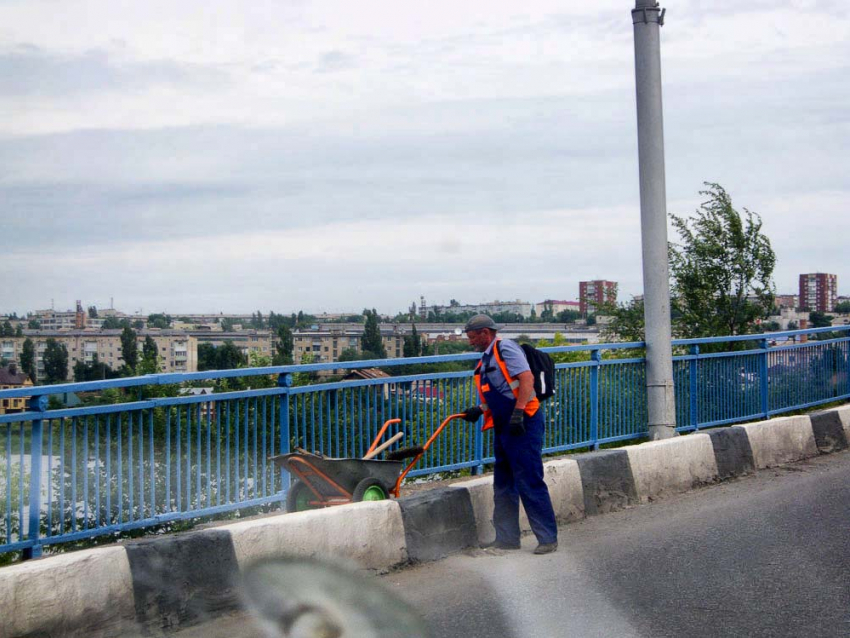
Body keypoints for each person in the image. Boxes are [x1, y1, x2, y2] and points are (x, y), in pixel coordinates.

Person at [461, 314, 558, 555]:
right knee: (503, 482)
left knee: (529, 479)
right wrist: (480, 409)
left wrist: (519, 413)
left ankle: (547, 538)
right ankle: (507, 539)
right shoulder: (485, 359)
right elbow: (501, 392)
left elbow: (526, 379)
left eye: (473, 337)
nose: (470, 342)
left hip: (524, 422)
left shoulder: (506, 348)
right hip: (505, 424)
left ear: (485, 333)